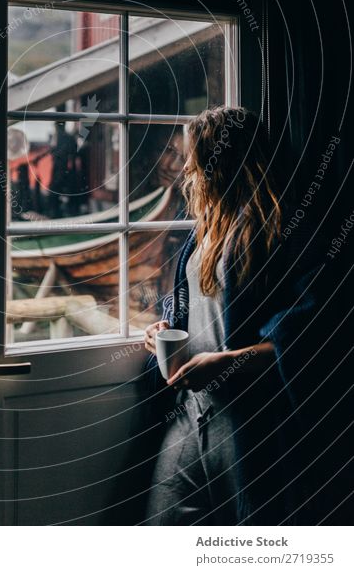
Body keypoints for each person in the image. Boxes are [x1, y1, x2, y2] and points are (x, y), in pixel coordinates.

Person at [143, 106, 308, 525]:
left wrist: (231, 363)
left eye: (194, 158)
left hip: (247, 418)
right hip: (190, 409)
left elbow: (311, 327)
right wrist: (164, 331)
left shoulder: (283, 230)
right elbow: (190, 306)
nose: (186, 170)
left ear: (225, 159)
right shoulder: (206, 230)